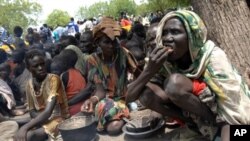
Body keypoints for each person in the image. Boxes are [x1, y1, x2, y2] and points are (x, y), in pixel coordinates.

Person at [126, 9, 250, 141]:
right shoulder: (162, 61)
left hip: (222, 114)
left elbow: (233, 108)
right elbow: (129, 97)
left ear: (191, 35)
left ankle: (215, 126)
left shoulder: (212, 57)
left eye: (175, 32)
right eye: (165, 33)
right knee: (146, 93)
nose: (167, 38)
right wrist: (149, 70)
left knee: (174, 83)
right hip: (196, 113)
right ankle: (195, 124)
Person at [81, 17, 137, 135]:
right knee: (111, 122)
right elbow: (100, 91)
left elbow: (138, 75)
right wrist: (92, 100)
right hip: (104, 100)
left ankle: (119, 114)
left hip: (122, 99)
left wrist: (132, 91)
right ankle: (119, 115)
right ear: (97, 43)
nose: (111, 46)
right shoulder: (93, 60)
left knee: (113, 128)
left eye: (113, 41)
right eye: (106, 42)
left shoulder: (123, 53)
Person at [15, 49, 69, 141]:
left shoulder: (54, 79)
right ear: (29, 68)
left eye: (42, 64)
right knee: (16, 128)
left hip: (59, 118)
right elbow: (31, 110)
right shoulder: (29, 84)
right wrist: (39, 119)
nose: (40, 68)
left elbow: (48, 112)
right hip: (41, 118)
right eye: (36, 66)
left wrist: (26, 127)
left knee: (28, 135)